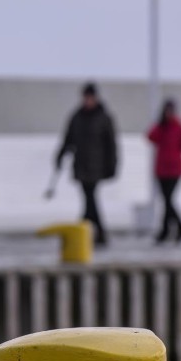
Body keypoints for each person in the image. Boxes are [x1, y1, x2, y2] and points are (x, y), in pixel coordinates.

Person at [53, 82, 118, 246]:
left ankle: (87, 232)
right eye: (86, 97)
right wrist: (60, 156)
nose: (88, 100)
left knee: (90, 198)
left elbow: (111, 145)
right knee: (89, 199)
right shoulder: (77, 117)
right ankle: (96, 233)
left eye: (91, 97)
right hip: (81, 164)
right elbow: (68, 139)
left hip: (97, 166)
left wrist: (112, 165)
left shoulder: (103, 118)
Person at [146, 99, 181, 244]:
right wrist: (159, 124)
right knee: (166, 201)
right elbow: (149, 136)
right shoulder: (162, 127)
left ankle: (180, 227)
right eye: (166, 110)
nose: (168, 114)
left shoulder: (180, 128)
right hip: (161, 170)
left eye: (171, 111)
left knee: (168, 200)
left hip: (175, 171)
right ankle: (166, 231)